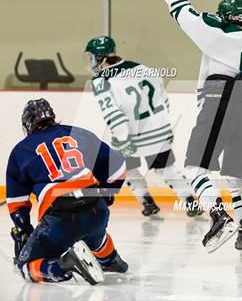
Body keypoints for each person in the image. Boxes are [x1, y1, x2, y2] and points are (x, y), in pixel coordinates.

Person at [162, 0, 242, 255]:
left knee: (194, 169)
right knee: (240, 180)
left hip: (218, 98)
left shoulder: (215, 34)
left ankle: (219, 217)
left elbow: (183, 12)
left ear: (223, 15)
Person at [6, 98, 128, 285]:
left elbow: (17, 203)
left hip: (60, 220)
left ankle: (63, 265)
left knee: (25, 266)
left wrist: (23, 230)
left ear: (28, 124)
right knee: (94, 232)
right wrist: (106, 191)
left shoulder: (21, 150)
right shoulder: (78, 133)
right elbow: (118, 167)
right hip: (96, 209)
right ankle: (111, 260)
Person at [85, 36, 202, 219]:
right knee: (166, 167)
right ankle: (189, 200)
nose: (90, 62)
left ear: (101, 57)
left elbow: (113, 114)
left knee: (126, 168)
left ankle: (147, 201)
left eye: (92, 57)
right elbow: (162, 98)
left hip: (131, 134)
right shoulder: (141, 68)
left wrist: (123, 139)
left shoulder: (100, 81)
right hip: (158, 129)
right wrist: (164, 125)